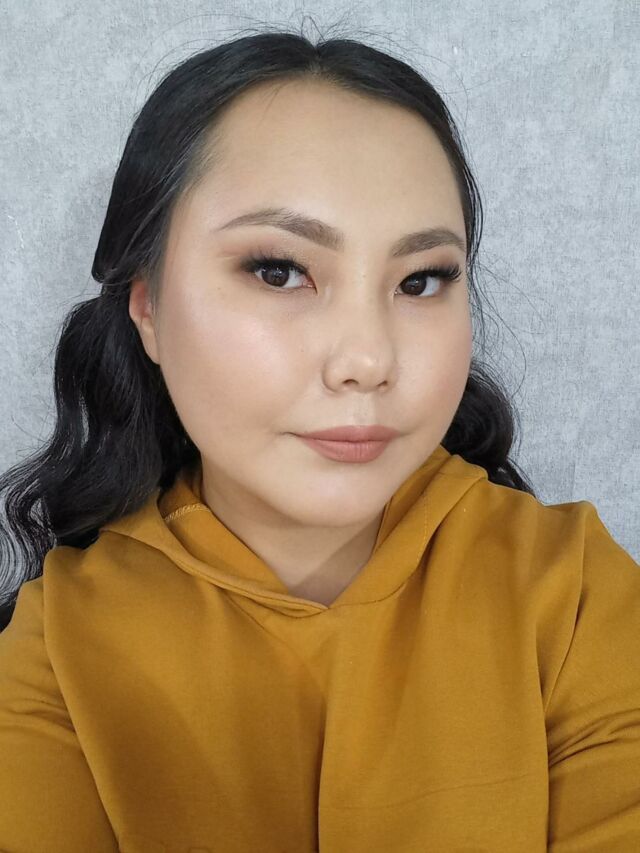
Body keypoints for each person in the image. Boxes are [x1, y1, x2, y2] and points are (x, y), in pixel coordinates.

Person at [0, 26, 638, 852]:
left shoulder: (576, 592)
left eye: (421, 280)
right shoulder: (58, 645)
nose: (368, 359)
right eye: (278, 270)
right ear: (147, 306)